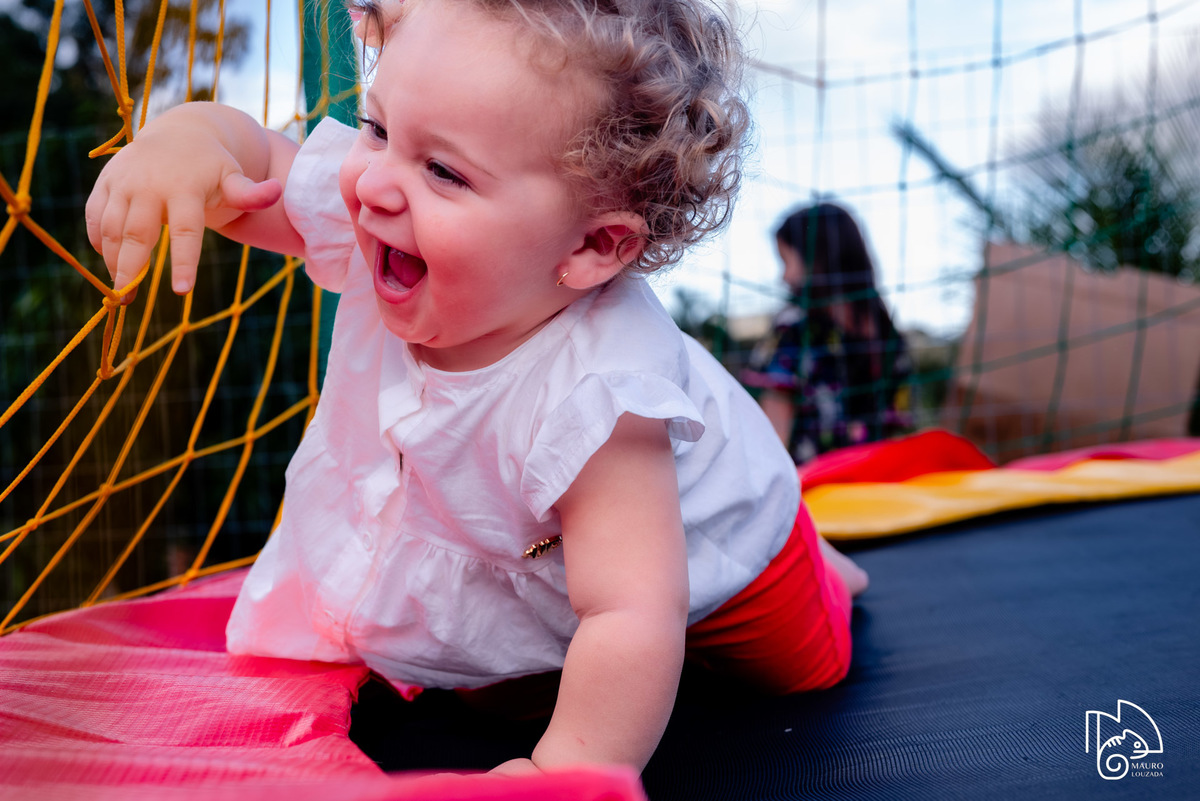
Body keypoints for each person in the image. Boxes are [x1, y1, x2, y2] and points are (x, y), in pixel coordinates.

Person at [85, 0, 868, 776]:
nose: (376, 188)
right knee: (482, 684)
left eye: (443, 171)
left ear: (595, 243)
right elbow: (255, 170)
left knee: (804, 665)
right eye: (379, 128)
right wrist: (190, 139)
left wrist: (569, 771)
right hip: (531, 551)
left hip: (732, 546)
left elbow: (631, 612)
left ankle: (827, 563)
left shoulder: (601, 392)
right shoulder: (385, 211)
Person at [744, 203, 912, 464]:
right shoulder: (794, 328)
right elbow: (774, 431)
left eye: (787, 261)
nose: (784, 277)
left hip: (871, 488)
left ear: (818, 259)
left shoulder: (886, 336)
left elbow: (893, 427)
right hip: (811, 489)